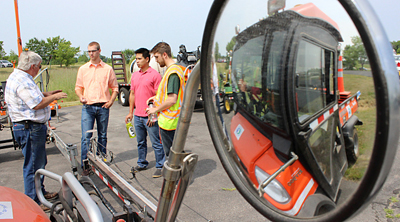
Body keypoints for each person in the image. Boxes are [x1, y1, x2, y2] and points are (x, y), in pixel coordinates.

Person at [5, 51, 67, 211]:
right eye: (38, 67)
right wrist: (55, 97)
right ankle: (34, 200)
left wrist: (47, 94)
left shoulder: (19, 77)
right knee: (33, 165)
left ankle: (39, 192)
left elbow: (32, 97)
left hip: (27, 127)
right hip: (29, 127)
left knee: (37, 163)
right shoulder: (23, 80)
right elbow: (36, 104)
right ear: (32, 66)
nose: (39, 69)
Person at [75, 41, 118, 175]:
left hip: (103, 106)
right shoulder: (83, 69)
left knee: (102, 135)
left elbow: (115, 88)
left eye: (93, 51)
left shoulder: (107, 69)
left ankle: (101, 160)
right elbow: (78, 87)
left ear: (99, 51)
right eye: (89, 51)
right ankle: (85, 164)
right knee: (86, 136)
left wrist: (111, 101)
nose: (91, 54)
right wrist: (80, 96)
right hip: (88, 107)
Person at [124, 48, 165, 178]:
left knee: (156, 143)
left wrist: (152, 115)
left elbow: (158, 97)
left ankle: (160, 165)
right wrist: (131, 112)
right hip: (137, 116)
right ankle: (142, 163)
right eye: (136, 59)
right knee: (140, 142)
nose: (137, 61)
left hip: (150, 116)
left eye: (139, 59)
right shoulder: (135, 75)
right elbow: (132, 94)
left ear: (147, 59)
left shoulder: (155, 75)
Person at [146, 42, 185, 158]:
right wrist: (156, 98)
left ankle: (178, 176)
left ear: (164, 55)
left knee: (173, 156)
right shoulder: (171, 70)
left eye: (157, 57)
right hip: (170, 121)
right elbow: (167, 94)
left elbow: (172, 99)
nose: (156, 61)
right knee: (175, 154)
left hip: (170, 122)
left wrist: (155, 109)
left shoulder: (173, 73)